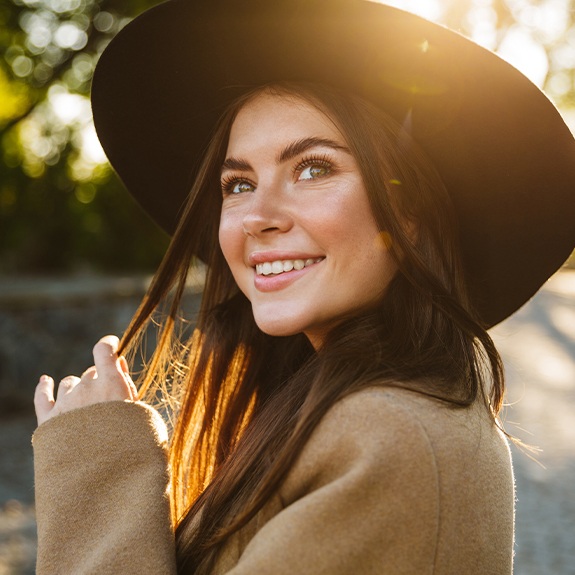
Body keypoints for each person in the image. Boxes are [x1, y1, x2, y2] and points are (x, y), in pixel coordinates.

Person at [32, 1, 575, 574]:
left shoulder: (389, 440)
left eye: (313, 169)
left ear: (409, 212)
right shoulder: (347, 409)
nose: (256, 216)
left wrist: (101, 470)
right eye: (238, 183)